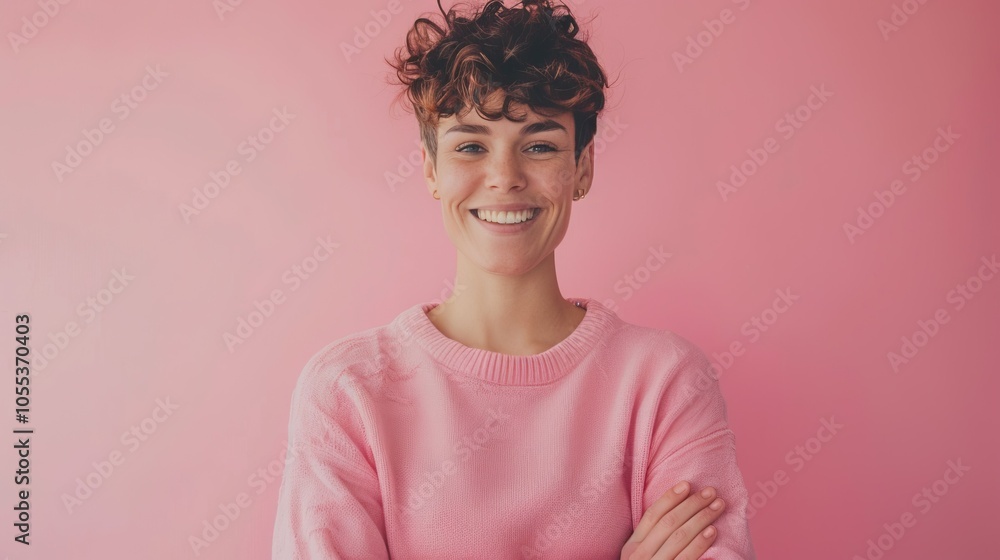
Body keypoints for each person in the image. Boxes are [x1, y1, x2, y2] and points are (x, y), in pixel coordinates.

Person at [271, 1, 757, 558]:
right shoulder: (348, 391)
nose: (504, 178)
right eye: (471, 146)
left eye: (541, 146)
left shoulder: (667, 383)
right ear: (432, 170)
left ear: (583, 168)